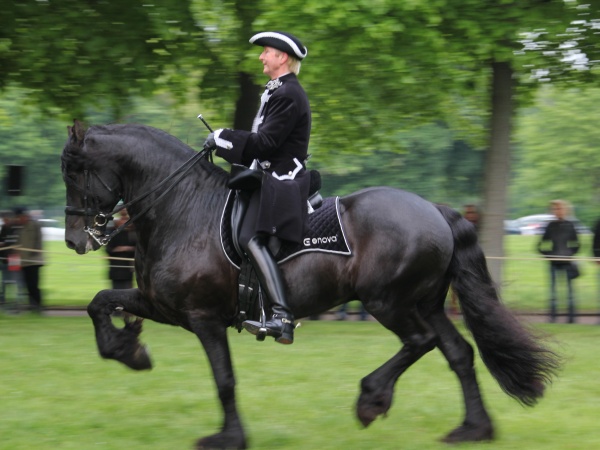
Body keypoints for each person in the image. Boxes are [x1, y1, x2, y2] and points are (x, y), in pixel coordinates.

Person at [204, 31, 311, 345]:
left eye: (267, 52)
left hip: (282, 180)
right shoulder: (278, 91)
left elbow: (265, 144)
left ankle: (282, 317)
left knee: (250, 238)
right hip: (268, 176)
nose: (262, 57)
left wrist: (223, 138)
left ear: (282, 57)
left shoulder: (288, 94)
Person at [537, 200, 580, 323]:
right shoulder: (550, 226)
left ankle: (571, 318)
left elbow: (577, 244)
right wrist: (549, 255)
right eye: (554, 209)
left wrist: (569, 254)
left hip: (567, 262)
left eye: (559, 209)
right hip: (553, 263)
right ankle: (553, 317)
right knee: (553, 292)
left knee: (570, 292)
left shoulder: (570, 225)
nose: (556, 211)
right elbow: (540, 245)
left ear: (565, 210)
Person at [13, 206, 45, 312]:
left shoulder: (35, 225)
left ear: (25, 216)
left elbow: (38, 242)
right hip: (23, 262)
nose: (20, 219)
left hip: (34, 261)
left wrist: (34, 252)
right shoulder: (18, 228)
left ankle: (38, 305)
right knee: (26, 285)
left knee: (33, 285)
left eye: (21, 217)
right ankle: (32, 305)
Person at [105, 209, 136, 290]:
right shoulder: (113, 234)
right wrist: (122, 249)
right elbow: (109, 249)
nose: (124, 222)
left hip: (127, 269)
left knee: (128, 290)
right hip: (116, 269)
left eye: (126, 220)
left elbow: (135, 249)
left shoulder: (131, 233)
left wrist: (128, 249)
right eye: (122, 220)